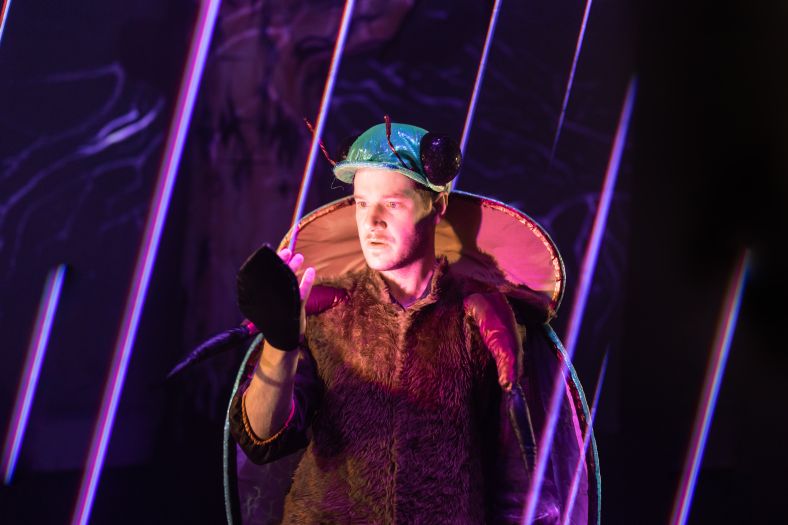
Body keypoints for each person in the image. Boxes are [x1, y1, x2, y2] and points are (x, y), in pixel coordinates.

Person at [225, 120, 599, 524]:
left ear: (436, 206)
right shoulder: (323, 313)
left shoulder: (484, 323)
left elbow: (525, 484)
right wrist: (280, 345)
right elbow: (263, 438)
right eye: (361, 203)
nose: (371, 223)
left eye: (393, 203)